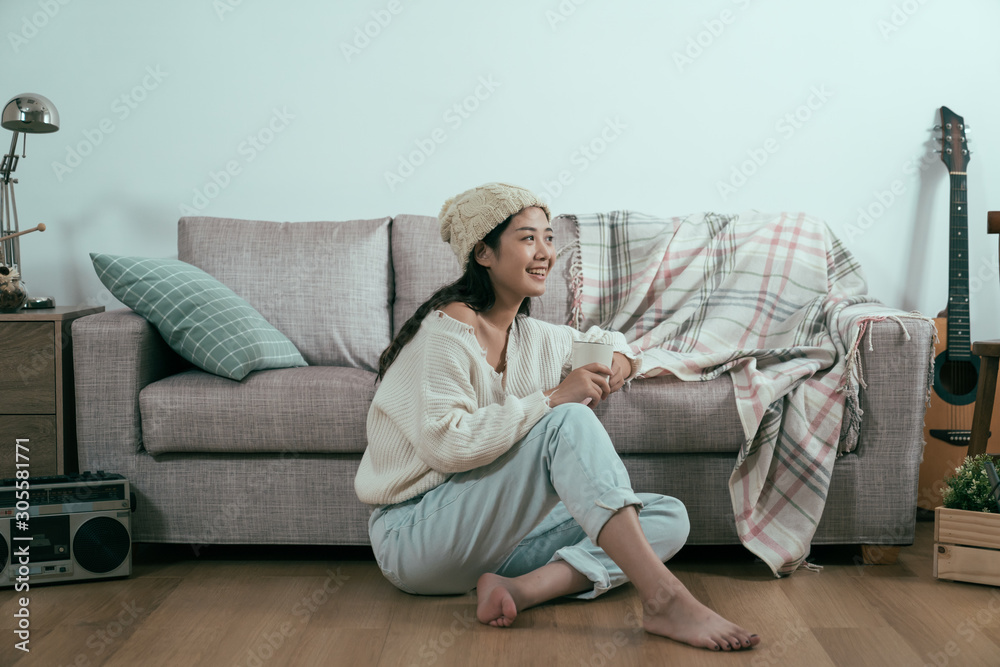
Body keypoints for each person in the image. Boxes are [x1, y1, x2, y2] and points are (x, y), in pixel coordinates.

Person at [354, 182, 761, 652]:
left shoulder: (531, 336)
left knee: (667, 517)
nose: (545, 252)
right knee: (567, 420)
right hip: (416, 538)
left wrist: (619, 365)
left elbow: (611, 343)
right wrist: (551, 399)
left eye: (549, 238)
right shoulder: (447, 330)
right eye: (528, 238)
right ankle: (665, 598)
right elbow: (448, 444)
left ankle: (521, 590)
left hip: (493, 544)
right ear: (484, 253)